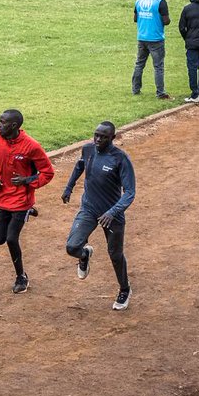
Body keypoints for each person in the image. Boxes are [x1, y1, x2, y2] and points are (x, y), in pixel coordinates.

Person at [61, 122, 137, 311]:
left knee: (115, 255)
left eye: (103, 137)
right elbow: (79, 165)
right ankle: (85, 254)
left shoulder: (120, 159)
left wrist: (113, 212)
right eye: (96, 135)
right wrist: (69, 187)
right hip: (89, 209)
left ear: (113, 138)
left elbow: (130, 192)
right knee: (72, 246)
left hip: (112, 214)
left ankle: (124, 289)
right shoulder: (88, 150)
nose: (98, 140)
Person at [0, 110, 55, 294]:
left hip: (21, 200)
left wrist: (27, 181)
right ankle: (29, 212)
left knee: (11, 239)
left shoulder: (32, 146)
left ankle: (21, 277)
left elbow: (47, 173)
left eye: (2, 122)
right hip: (2, 198)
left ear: (14, 126)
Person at [132, 0, 171, 100]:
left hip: (142, 37)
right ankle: (160, 93)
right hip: (156, 39)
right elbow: (166, 21)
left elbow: (135, 18)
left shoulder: (139, 0)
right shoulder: (160, 1)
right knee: (158, 66)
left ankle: (135, 89)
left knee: (139, 64)